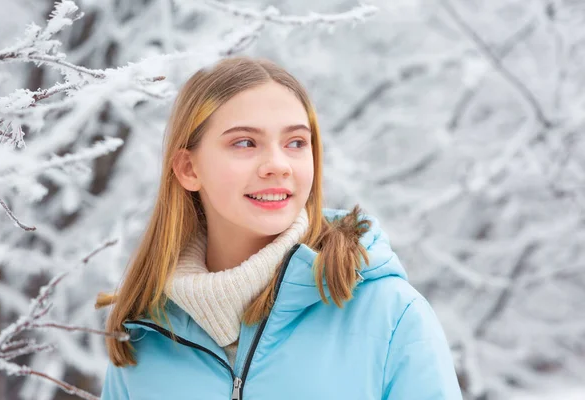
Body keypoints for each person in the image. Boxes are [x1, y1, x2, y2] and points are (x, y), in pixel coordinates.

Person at [95, 56, 463, 399]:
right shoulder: (142, 338)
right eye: (244, 142)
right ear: (189, 168)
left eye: (296, 143)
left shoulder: (389, 315)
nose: (278, 164)